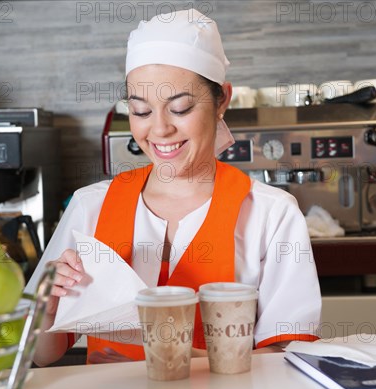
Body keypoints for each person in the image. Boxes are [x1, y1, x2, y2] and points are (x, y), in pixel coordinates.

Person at [27, 8, 321, 367]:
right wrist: (50, 300)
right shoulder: (92, 206)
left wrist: (178, 356)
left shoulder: (271, 213)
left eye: (180, 108)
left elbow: (287, 360)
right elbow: (41, 355)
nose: (160, 130)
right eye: (141, 111)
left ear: (221, 100)